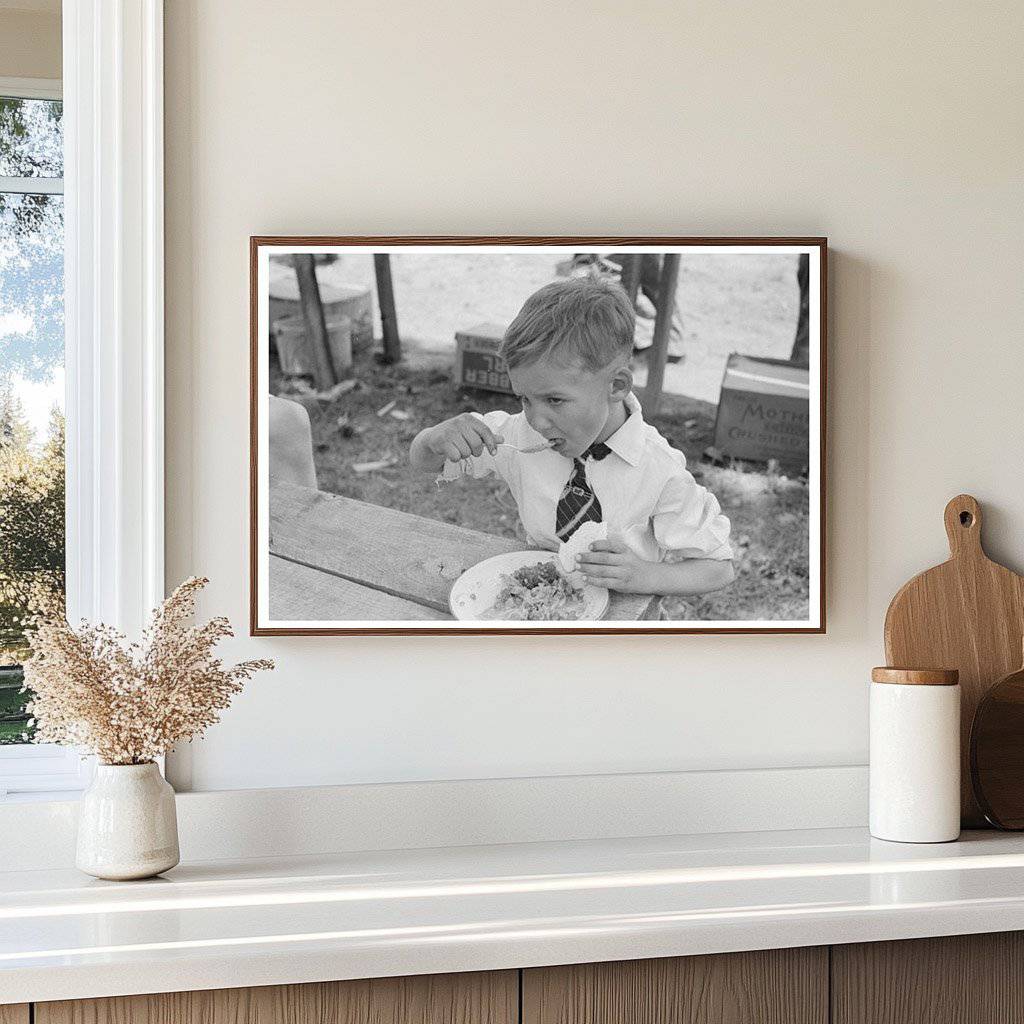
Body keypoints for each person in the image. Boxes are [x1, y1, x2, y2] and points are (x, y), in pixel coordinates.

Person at [409, 276, 733, 598]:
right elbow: (426, 463)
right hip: (539, 605)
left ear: (617, 386)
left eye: (554, 400)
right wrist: (432, 440)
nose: (536, 420)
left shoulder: (659, 468)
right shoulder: (516, 437)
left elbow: (718, 567)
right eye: (524, 399)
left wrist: (646, 576)